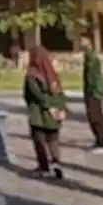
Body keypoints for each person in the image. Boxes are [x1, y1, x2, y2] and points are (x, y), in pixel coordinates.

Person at [23, 45, 67, 179]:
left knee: (40, 140)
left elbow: (36, 94)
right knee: (53, 139)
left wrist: (48, 107)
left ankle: (44, 166)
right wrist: (60, 108)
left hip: (38, 113)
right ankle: (56, 162)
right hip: (54, 114)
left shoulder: (32, 75)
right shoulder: (52, 73)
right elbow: (59, 92)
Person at [80, 32, 103, 153]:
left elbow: (93, 77)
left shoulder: (91, 56)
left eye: (82, 40)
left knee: (96, 117)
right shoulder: (88, 55)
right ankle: (98, 140)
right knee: (93, 117)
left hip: (94, 92)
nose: (80, 43)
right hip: (91, 91)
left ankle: (102, 143)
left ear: (89, 42)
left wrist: (95, 92)